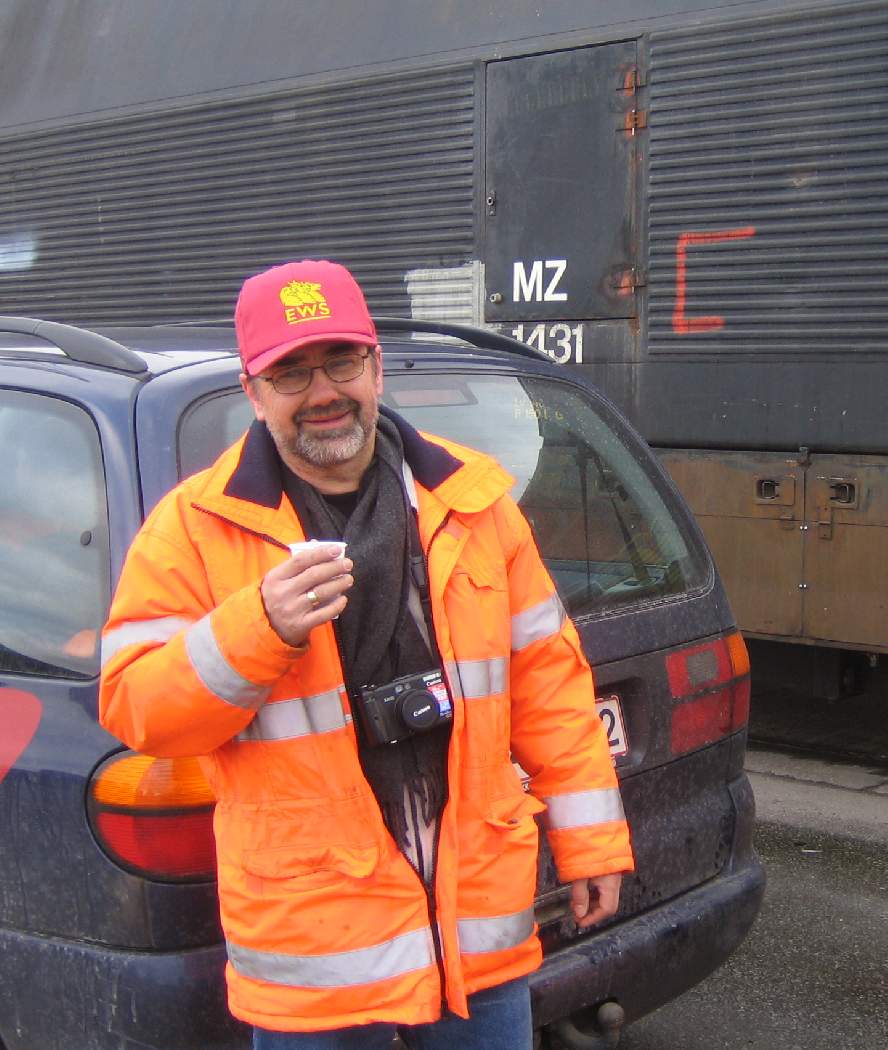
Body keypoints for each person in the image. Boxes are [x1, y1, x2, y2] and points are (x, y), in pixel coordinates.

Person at [99, 259, 633, 1049]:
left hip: (473, 935)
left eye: (340, 361)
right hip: (316, 953)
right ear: (254, 391)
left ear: (376, 368)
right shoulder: (194, 531)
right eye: (290, 373)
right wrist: (260, 629)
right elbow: (139, 710)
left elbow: (548, 685)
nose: (322, 392)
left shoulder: (473, 503)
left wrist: (589, 840)